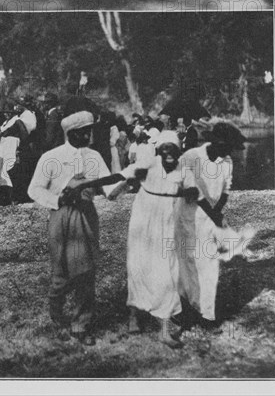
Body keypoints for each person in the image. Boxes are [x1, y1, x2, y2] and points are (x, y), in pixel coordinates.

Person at [68, 130, 199, 349]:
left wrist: (191, 194)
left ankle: (165, 331)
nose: (169, 154)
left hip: (168, 221)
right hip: (144, 219)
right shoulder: (148, 164)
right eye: (165, 149)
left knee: (168, 270)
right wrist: (85, 184)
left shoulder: (183, 169)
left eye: (173, 150)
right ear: (158, 150)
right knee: (138, 265)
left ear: (179, 151)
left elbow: (193, 189)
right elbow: (119, 177)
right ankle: (134, 316)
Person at [27, 111, 116, 346]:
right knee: (62, 274)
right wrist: (57, 201)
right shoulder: (51, 157)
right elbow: (34, 189)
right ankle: (56, 309)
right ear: (72, 133)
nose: (89, 135)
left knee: (86, 271)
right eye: (85, 131)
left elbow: (110, 188)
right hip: (61, 217)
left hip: (86, 216)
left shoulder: (94, 157)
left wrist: (128, 179)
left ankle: (81, 325)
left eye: (90, 130)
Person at [175, 122, 247, 330]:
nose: (227, 151)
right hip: (189, 216)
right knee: (187, 264)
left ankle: (206, 313)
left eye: (229, 148)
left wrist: (218, 212)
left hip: (211, 218)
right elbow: (190, 188)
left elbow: (226, 189)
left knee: (209, 265)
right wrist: (215, 214)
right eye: (224, 146)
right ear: (214, 141)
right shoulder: (191, 156)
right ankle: (185, 309)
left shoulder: (227, 161)